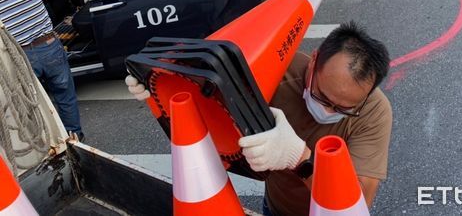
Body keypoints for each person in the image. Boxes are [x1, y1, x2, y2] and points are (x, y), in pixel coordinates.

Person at [126, 22, 392, 215]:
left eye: (344, 108)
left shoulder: (374, 112)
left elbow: (358, 202)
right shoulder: (279, 69)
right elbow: (210, 95)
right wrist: (161, 88)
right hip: (276, 208)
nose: (329, 112)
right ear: (313, 61)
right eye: (322, 97)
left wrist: (300, 158)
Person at [0, 0, 83, 140]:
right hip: (49, 45)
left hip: (20, 56)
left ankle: (47, 143)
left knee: (32, 104)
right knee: (64, 95)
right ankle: (75, 137)